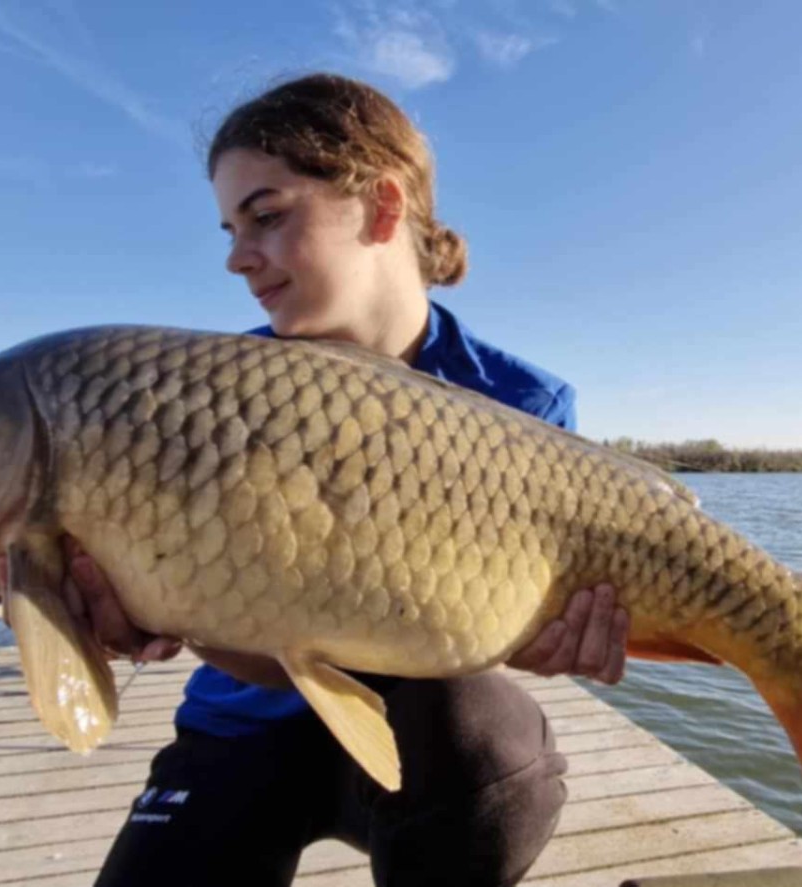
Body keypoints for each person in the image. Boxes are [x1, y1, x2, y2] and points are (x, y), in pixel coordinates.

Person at [58, 73, 631, 887]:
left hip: (424, 735)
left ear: (383, 206)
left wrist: (550, 635)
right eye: (228, 227)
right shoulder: (210, 391)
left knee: (491, 737)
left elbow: (484, 637)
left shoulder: (528, 404)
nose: (234, 257)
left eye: (265, 215)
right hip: (238, 725)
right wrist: (147, 608)